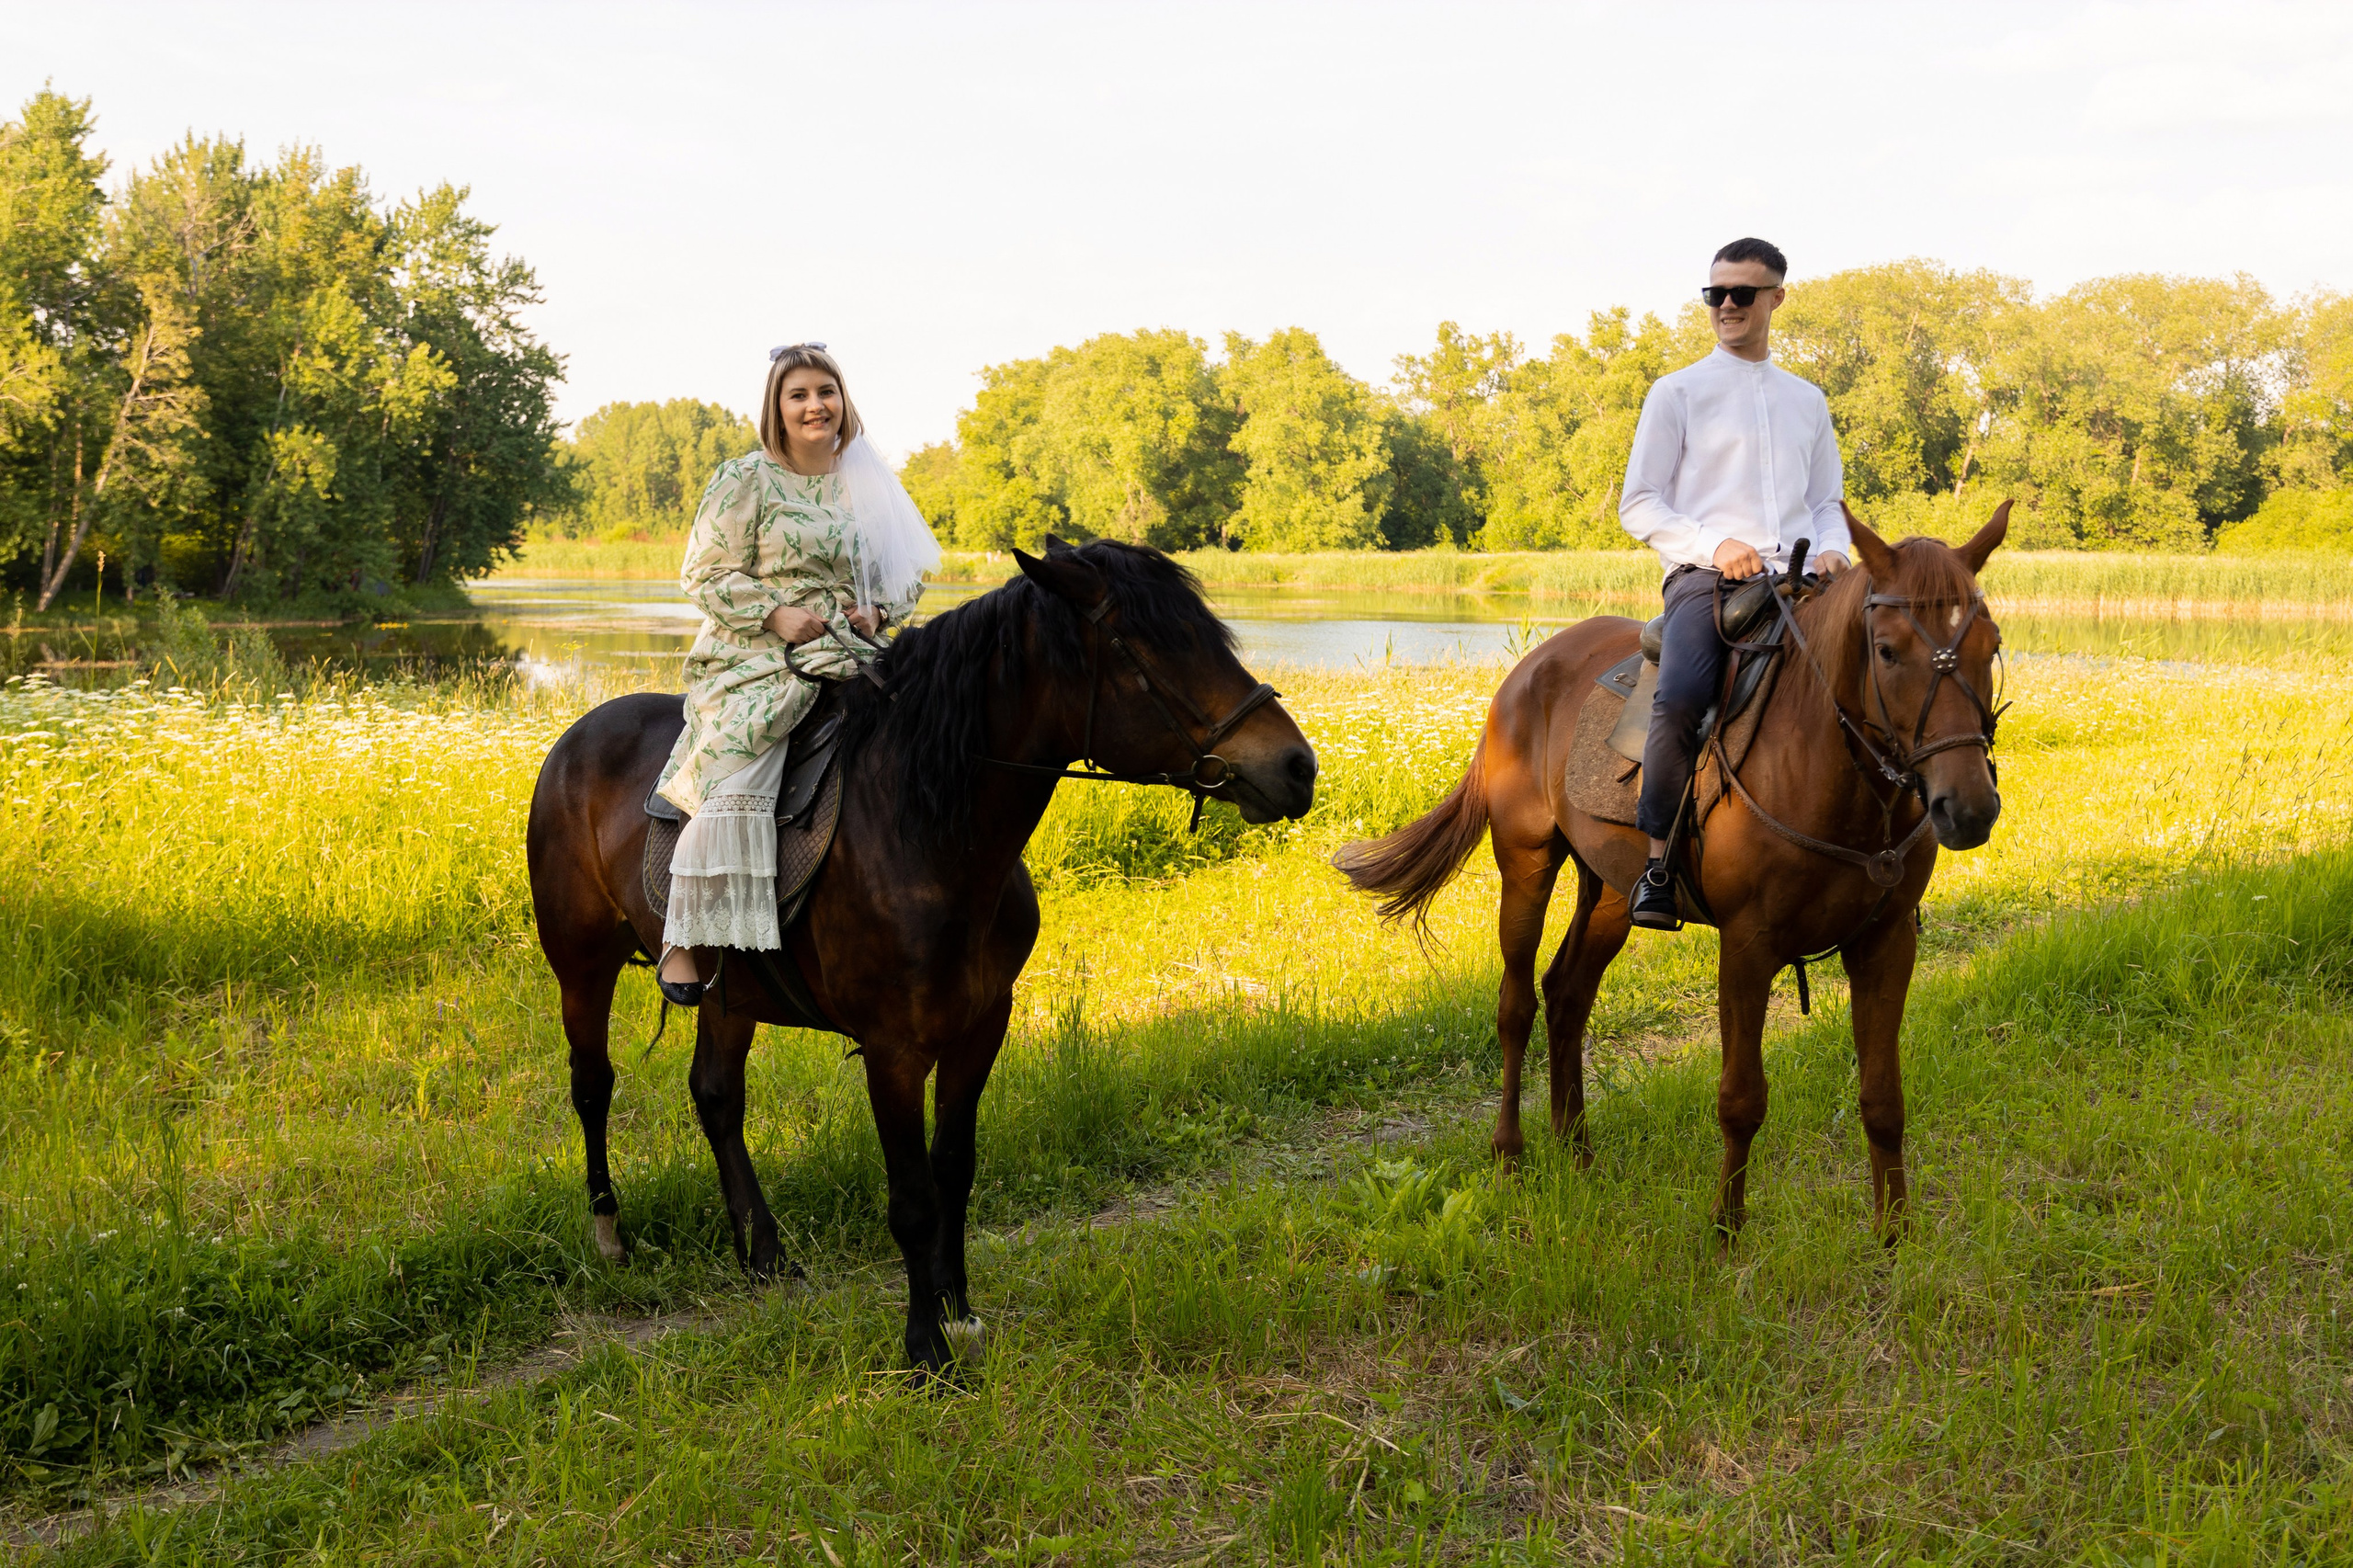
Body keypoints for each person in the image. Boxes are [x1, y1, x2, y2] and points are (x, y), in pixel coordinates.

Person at [654, 344, 940, 1002]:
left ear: (844, 400)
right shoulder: (745, 479)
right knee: (745, 764)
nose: (815, 405)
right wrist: (775, 614)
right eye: (799, 395)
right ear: (777, 410)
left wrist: (877, 610)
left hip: (848, 645)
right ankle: (685, 934)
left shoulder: (867, 480)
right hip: (757, 652)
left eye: (826, 391)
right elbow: (704, 573)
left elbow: (905, 572)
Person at [1618, 237, 1851, 932]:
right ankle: (1658, 865)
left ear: (1776, 299)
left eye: (1742, 294)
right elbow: (1640, 503)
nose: (1725, 305)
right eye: (1714, 293)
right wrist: (1714, 546)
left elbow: (1828, 503)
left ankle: (1876, 863)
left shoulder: (1808, 401)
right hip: (1706, 581)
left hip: (1804, 578)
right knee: (1683, 697)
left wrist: (1836, 553)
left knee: (1879, 679)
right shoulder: (1678, 392)